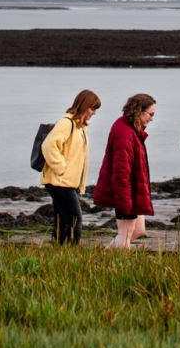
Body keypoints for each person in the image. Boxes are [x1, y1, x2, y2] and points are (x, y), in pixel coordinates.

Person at [93, 93, 156, 248]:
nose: (152, 118)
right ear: (139, 111)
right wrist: (124, 202)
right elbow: (121, 172)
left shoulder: (132, 128)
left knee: (138, 231)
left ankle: (106, 255)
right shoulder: (124, 132)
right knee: (125, 234)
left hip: (134, 192)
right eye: (151, 114)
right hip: (125, 194)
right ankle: (113, 263)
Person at [40, 89, 100, 245]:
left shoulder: (79, 126)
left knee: (62, 220)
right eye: (92, 109)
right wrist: (62, 169)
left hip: (68, 183)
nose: (94, 113)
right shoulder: (66, 123)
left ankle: (59, 254)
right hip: (60, 182)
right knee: (75, 219)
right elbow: (48, 146)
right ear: (84, 105)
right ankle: (71, 254)